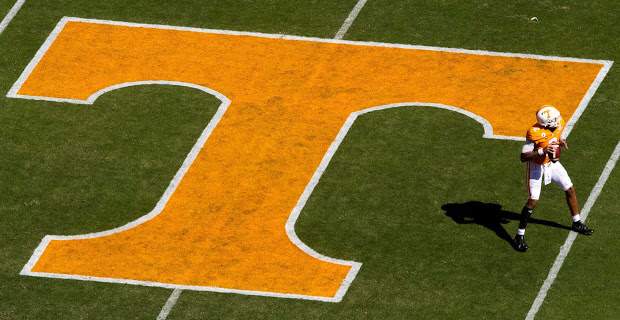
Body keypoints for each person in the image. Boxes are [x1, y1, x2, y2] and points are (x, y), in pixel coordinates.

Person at [514, 105, 593, 252]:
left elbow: (555, 136)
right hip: (536, 166)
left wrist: (560, 141)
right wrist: (542, 150)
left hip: (551, 164)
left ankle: (576, 222)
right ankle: (519, 235)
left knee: (569, 188)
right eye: (554, 119)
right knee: (533, 200)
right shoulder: (534, 132)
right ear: (546, 123)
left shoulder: (559, 123)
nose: (558, 120)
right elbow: (523, 157)